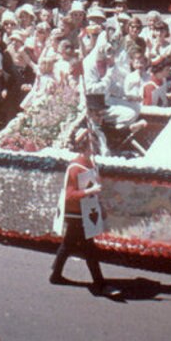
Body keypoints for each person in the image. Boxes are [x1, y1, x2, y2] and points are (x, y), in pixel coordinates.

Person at [49, 124, 120, 298]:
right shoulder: (75, 167)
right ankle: (100, 284)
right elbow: (70, 195)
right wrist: (90, 191)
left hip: (86, 211)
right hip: (76, 213)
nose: (96, 146)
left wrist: (99, 205)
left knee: (68, 245)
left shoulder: (90, 163)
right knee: (89, 248)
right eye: (93, 143)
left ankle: (56, 275)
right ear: (85, 146)